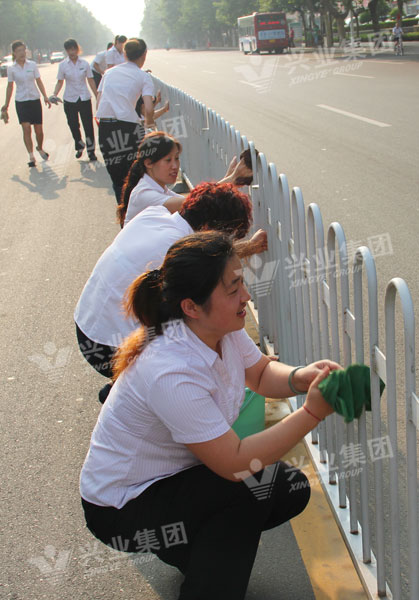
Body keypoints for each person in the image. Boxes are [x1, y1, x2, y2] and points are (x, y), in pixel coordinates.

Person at [80, 230, 340, 600]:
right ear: (191, 306)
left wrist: (301, 377)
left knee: (286, 488)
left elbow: (261, 373)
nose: (245, 296)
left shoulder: (219, 328)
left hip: (173, 480)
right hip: (122, 505)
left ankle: (198, 556)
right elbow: (234, 463)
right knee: (245, 490)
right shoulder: (170, 371)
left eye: (241, 283)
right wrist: (312, 413)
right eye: (233, 289)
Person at [74, 182, 267, 402]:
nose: (227, 247)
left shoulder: (153, 215)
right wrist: (252, 367)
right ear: (207, 229)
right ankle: (130, 389)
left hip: (86, 326)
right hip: (111, 348)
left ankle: (122, 387)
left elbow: (209, 258)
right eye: (227, 239)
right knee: (202, 319)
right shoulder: (179, 250)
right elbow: (212, 263)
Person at [118, 132, 253, 227]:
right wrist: (231, 179)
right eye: (168, 160)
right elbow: (191, 203)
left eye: (177, 158)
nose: (175, 166)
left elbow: (194, 198)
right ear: (148, 163)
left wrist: (228, 181)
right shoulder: (144, 194)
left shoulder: (159, 189)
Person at [96, 38, 155, 204]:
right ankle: (136, 213)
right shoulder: (143, 76)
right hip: (129, 129)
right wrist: (150, 126)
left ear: (125, 54)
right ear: (144, 54)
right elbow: (149, 108)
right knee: (134, 176)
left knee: (117, 179)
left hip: (106, 129)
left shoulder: (109, 73)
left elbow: (98, 102)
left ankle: (123, 214)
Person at [1, 40, 51, 167]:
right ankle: (31, 156)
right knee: (26, 128)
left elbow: (38, 81)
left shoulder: (32, 65)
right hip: (21, 101)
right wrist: (6, 105)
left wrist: (45, 96)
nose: (22, 53)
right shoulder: (11, 68)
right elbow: (10, 86)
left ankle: (40, 148)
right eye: (19, 51)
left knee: (38, 130)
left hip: (34, 100)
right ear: (14, 53)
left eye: (23, 50)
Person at [51, 39, 97, 161]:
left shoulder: (85, 64)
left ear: (77, 49)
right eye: (69, 50)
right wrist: (54, 93)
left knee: (88, 126)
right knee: (73, 124)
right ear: (66, 51)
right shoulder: (63, 65)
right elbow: (60, 81)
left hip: (84, 98)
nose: (72, 52)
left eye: (73, 49)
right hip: (70, 99)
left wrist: (97, 96)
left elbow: (90, 80)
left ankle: (91, 151)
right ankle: (79, 144)